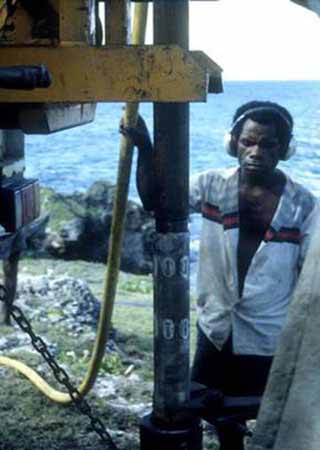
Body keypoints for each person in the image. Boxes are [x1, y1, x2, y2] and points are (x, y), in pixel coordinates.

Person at [121, 101, 318, 450]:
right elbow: (156, 200)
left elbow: (310, 281)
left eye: (268, 144)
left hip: (268, 336)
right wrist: (144, 146)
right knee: (213, 415)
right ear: (234, 143)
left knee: (270, 417)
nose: (256, 152)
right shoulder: (212, 185)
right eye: (248, 142)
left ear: (285, 150)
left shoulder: (304, 206)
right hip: (216, 330)